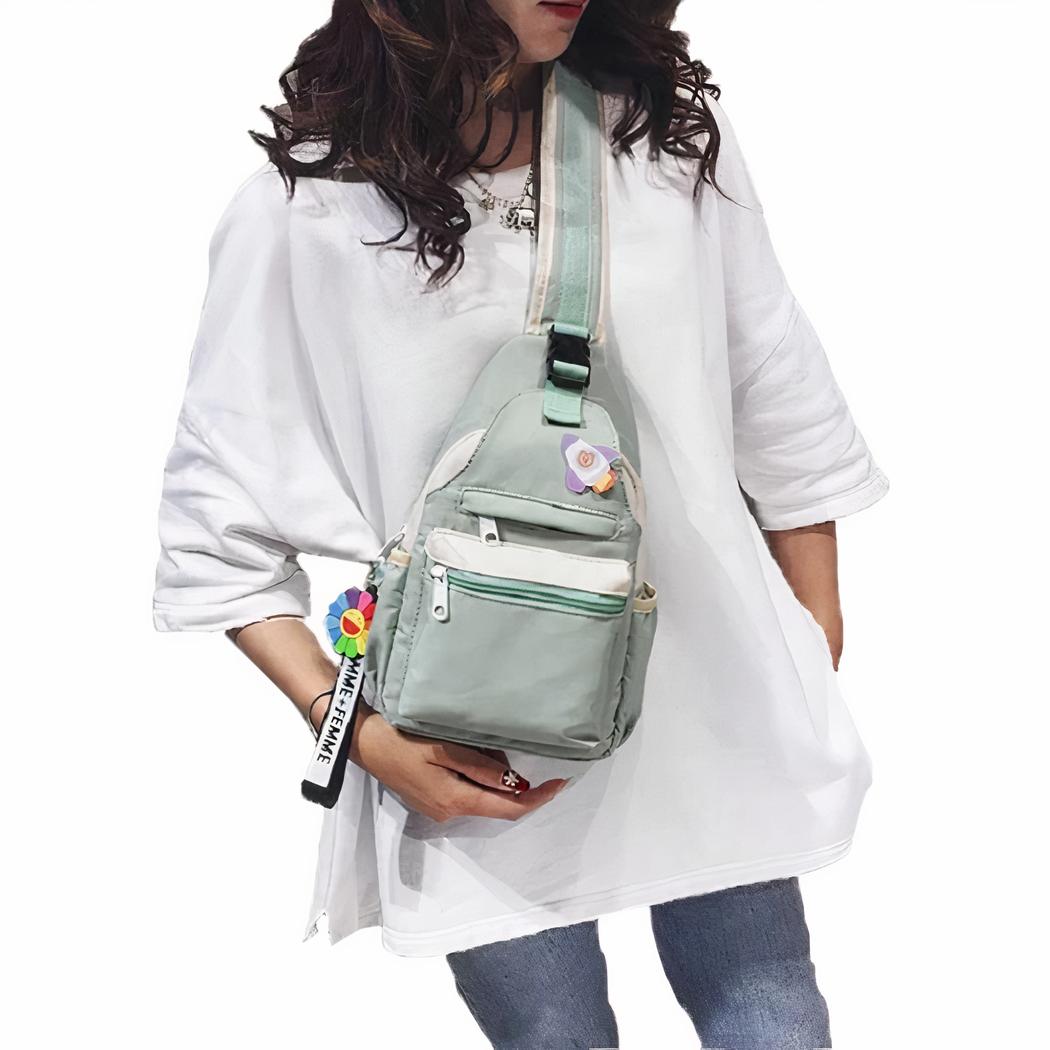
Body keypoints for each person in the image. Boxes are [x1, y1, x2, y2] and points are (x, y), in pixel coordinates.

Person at [152, 2, 888, 1046]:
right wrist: (357, 734)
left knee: (773, 1018)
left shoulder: (659, 143)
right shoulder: (306, 209)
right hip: (468, 751)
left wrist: (813, 631)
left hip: (707, 709)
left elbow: (779, 394)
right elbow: (215, 531)